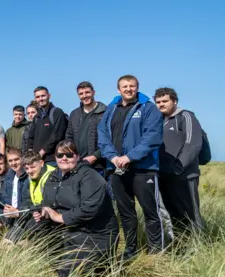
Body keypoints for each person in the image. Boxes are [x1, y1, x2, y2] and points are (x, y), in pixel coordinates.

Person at [98, 74, 167, 261]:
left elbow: (152, 137)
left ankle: (156, 253)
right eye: (125, 86)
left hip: (143, 168)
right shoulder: (111, 109)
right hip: (117, 169)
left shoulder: (148, 108)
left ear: (137, 87)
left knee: (151, 212)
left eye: (132, 86)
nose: (129, 89)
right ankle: (131, 249)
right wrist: (113, 157)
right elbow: (102, 134)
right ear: (118, 89)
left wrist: (130, 156)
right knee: (126, 213)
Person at [33, 140, 119, 277]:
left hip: (96, 234)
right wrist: (44, 212)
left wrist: (60, 218)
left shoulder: (89, 176)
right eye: (60, 155)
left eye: (69, 154)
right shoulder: (53, 177)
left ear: (78, 156)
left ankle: (105, 266)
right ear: (55, 157)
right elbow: (47, 202)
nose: (64, 158)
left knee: (66, 273)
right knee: (40, 256)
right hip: (71, 231)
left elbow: (89, 208)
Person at [155, 87, 204, 233]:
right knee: (173, 214)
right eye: (158, 102)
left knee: (191, 214)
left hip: (185, 175)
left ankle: (198, 248)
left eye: (165, 101)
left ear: (174, 101)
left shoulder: (186, 116)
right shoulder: (158, 122)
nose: (161, 104)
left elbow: (193, 144)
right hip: (165, 176)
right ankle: (180, 247)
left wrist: (178, 167)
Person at [4, 150, 56, 243]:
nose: (30, 171)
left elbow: (50, 202)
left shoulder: (51, 176)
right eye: (27, 168)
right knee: (6, 241)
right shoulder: (31, 178)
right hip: (34, 213)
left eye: (33, 167)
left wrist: (20, 212)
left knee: (22, 244)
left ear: (41, 163)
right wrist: (20, 211)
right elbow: (27, 201)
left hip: (49, 218)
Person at [0, 148, 31, 233]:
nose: (13, 163)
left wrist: (17, 210)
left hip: (20, 212)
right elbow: (5, 196)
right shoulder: (10, 175)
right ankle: (5, 227)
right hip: (9, 210)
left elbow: (28, 201)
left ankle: (9, 228)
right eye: (10, 161)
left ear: (22, 159)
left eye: (16, 159)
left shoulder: (28, 176)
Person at [66, 81, 107, 174]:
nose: (84, 96)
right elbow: (69, 136)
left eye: (87, 92)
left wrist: (95, 156)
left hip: (98, 165)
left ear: (93, 92)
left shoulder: (105, 112)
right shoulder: (74, 114)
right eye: (81, 94)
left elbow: (110, 139)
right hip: (77, 164)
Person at [27, 86, 68, 165]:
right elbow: (31, 138)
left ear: (49, 96)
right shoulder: (36, 117)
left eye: (43, 96)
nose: (41, 99)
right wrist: (30, 152)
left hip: (53, 159)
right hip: (37, 161)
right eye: (38, 97)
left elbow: (57, 136)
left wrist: (43, 151)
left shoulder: (57, 112)